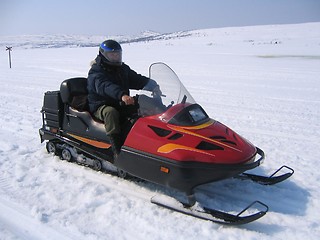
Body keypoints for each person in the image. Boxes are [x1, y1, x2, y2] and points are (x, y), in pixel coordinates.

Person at [87, 39, 160, 158]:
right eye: (112, 55)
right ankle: (117, 149)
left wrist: (152, 85)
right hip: (101, 104)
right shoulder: (96, 72)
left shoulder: (122, 68)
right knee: (111, 113)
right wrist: (121, 95)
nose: (116, 57)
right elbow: (105, 86)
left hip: (121, 101)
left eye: (117, 54)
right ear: (103, 55)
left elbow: (135, 79)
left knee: (145, 102)